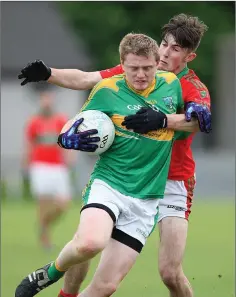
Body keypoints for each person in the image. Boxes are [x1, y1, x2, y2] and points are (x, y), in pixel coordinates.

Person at [17, 15, 211, 297]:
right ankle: (64, 290)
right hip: (119, 175)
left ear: (189, 56)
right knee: (87, 244)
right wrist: (49, 73)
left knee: (169, 272)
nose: (165, 53)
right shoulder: (139, 68)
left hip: (170, 181)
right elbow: (87, 79)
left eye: (176, 49)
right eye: (164, 44)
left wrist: (163, 120)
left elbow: (200, 120)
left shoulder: (187, 85)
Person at [22, 91, 76, 250]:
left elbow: (67, 141)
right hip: (40, 166)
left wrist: (69, 156)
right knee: (43, 203)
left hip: (58, 167)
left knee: (64, 204)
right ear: (40, 103)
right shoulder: (34, 122)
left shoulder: (60, 120)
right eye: (44, 101)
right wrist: (26, 163)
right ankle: (45, 239)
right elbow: (29, 144)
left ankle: (44, 224)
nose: (46, 104)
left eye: (49, 100)